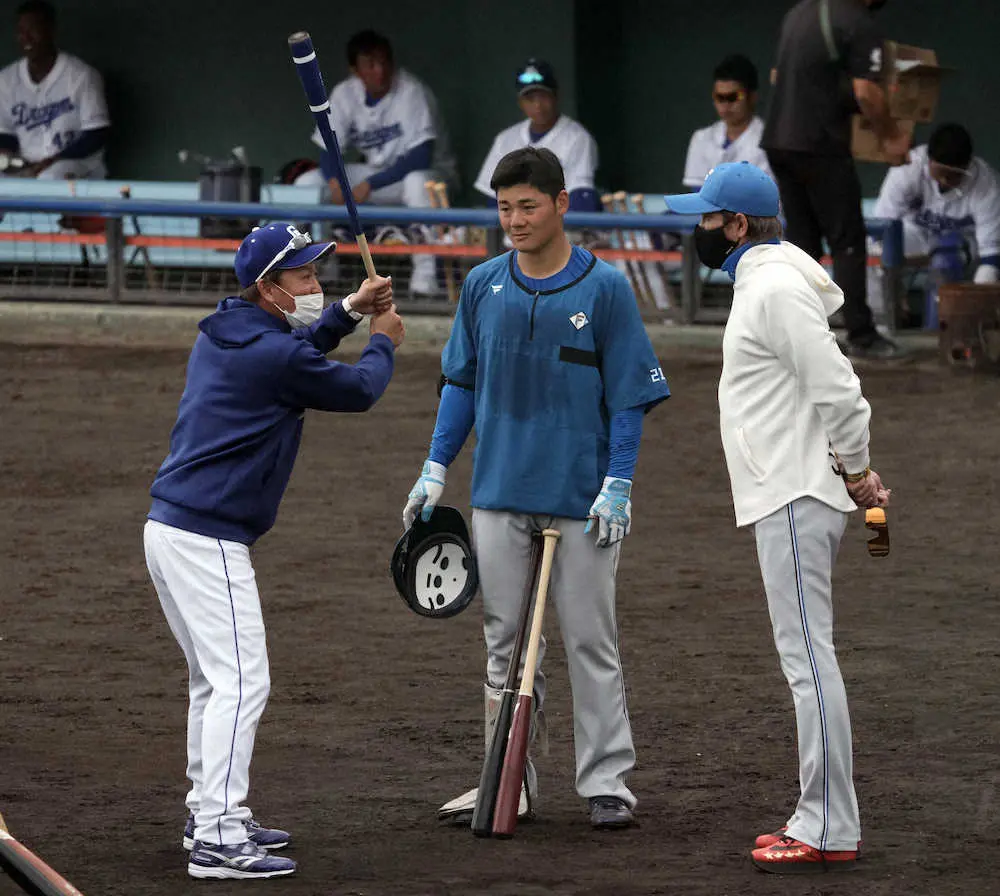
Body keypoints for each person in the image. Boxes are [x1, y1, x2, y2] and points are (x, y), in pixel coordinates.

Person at [404, 146, 670, 830]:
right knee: (505, 644)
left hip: (583, 500)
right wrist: (435, 466)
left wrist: (619, 481)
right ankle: (508, 782)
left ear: (561, 205)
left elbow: (629, 397)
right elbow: (461, 383)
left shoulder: (605, 289)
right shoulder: (482, 285)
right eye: (504, 208)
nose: (515, 220)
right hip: (498, 491)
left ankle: (607, 783)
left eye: (527, 206)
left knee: (590, 640)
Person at [144, 222, 403, 880]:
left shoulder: (227, 328)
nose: (316, 284)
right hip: (207, 537)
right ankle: (219, 838)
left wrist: (348, 312)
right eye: (304, 275)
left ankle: (208, 814)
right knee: (241, 681)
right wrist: (382, 340)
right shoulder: (270, 353)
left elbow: (295, 350)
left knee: (214, 682)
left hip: (173, 528)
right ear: (268, 287)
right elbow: (355, 390)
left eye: (316, 273)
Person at [664, 162, 891, 873]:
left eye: (708, 218)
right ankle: (822, 817)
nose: (699, 228)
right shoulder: (770, 282)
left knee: (807, 661)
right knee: (807, 658)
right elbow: (816, 394)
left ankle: (827, 826)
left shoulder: (773, 289)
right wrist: (853, 469)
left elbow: (841, 390)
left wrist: (855, 468)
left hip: (793, 494)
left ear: (737, 225)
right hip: (793, 488)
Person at [762, 0, 910, 360]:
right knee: (847, 241)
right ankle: (861, 334)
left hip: (780, 141)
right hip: (819, 143)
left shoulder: (801, 12)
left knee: (803, 243)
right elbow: (866, 92)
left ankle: (799, 336)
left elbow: (778, 76)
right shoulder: (857, 21)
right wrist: (891, 137)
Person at [304, 29, 458, 297]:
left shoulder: (411, 91)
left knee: (417, 182)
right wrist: (335, 182)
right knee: (309, 182)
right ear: (355, 70)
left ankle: (425, 280)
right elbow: (329, 149)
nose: (380, 70)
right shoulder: (345, 93)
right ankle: (326, 268)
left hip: (428, 177)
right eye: (371, 64)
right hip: (377, 176)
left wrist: (370, 185)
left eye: (385, 61)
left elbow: (421, 156)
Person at [874, 122, 1000, 284]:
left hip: (962, 246)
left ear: (968, 166)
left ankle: (941, 300)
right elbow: (883, 225)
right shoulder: (908, 168)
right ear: (929, 160)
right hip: (916, 235)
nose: (945, 180)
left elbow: (991, 254)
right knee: (876, 251)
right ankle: (883, 301)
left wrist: (978, 293)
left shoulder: (987, 185)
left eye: (953, 175)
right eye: (940, 172)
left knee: (946, 258)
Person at [0, 1, 110, 179]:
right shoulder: (6, 79)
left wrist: (55, 159)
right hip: (25, 164)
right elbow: (6, 134)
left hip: (75, 162)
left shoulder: (81, 75)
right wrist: (7, 155)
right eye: (21, 31)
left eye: (33, 30)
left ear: (51, 31)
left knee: (50, 176)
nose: (26, 37)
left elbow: (96, 134)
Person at [474, 59, 600, 211]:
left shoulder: (577, 138)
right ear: (520, 102)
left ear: (556, 96)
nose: (537, 105)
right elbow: (492, 198)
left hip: (558, 222)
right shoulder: (505, 140)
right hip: (514, 223)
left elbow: (581, 198)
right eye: (530, 99)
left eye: (543, 97)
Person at [683, 54, 771, 189]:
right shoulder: (702, 138)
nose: (725, 105)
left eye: (733, 97)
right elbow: (698, 193)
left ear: (752, 97)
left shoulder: (769, 142)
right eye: (719, 97)